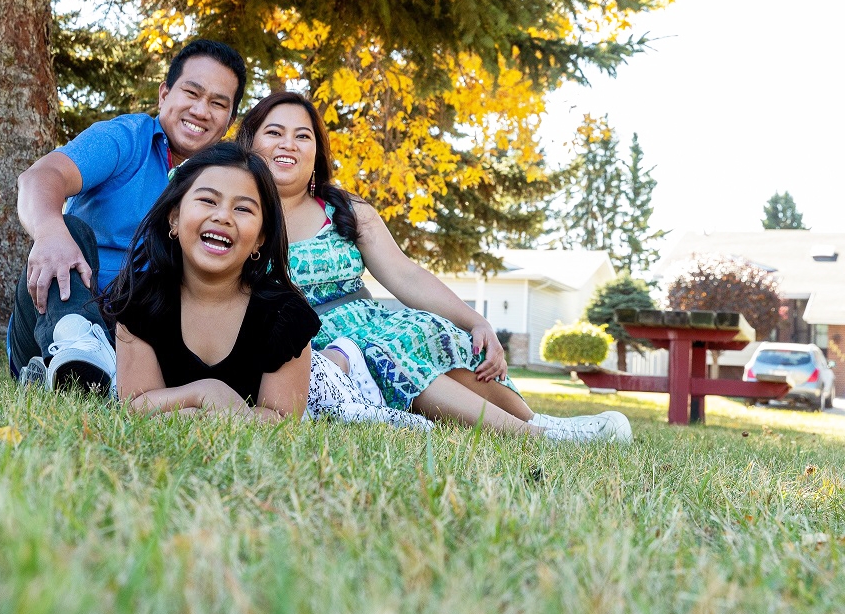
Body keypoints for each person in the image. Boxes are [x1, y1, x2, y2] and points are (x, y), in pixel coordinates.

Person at [236, 92, 632, 442]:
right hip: (309, 346)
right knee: (391, 346)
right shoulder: (236, 212)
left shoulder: (343, 209)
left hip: (371, 323)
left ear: (317, 152)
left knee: (430, 328)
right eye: (274, 132)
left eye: (302, 135)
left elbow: (405, 275)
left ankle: (540, 422)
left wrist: (477, 321)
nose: (289, 144)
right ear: (250, 142)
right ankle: (532, 436)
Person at [7, 39, 247, 392]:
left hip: (145, 337)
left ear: (228, 120)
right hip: (60, 313)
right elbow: (41, 177)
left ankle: (102, 375)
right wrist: (48, 231)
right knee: (70, 230)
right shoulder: (126, 139)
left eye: (217, 103)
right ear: (164, 94)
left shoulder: (228, 181)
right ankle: (77, 351)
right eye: (191, 93)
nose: (201, 110)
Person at [104, 143, 316, 419]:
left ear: (260, 239)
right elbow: (136, 406)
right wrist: (205, 392)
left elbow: (282, 425)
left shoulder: (286, 315)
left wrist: (184, 414)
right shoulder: (140, 298)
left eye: (243, 209)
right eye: (207, 200)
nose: (222, 216)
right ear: (174, 218)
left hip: (320, 384)